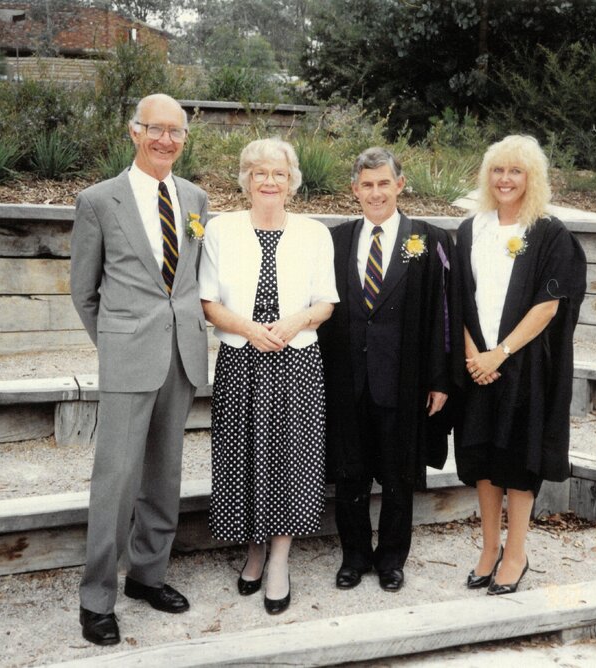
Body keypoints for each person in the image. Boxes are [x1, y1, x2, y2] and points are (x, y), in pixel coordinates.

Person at [69, 94, 209, 645]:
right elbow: (84, 292)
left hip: (182, 354)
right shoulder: (99, 201)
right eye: (156, 129)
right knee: (116, 480)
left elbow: (192, 279)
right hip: (129, 355)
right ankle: (96, 597)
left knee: (164, 474)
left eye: (176, 132)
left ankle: (148, 576)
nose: (166, 141)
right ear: (134, 132)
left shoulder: (196, 199)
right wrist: (117, 343)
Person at [199, 138, 338, 615]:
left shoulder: (314, 233)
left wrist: (294, 322)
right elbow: (208, 301)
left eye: (278, 173)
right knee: (243, 454)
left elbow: (326, 302)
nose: (269, 182)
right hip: (241, 357)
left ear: (292, 180)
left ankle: (278, 557)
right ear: (246, 179)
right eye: (260, 173)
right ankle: (252, 549)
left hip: (295, 358)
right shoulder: (222, 230)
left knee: (290, 459)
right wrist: (248, 329)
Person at [453, 134, 586, 595]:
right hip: (477, 365)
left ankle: (516, 553)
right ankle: (489, 549)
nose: (505, 179)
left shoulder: (549, 232)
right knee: (483, 458)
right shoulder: (472, 229)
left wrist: (499, 353)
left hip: (524, 365)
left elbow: (548, 306)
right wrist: (474, 354)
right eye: (497, 170)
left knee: (517, 461)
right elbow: (460, 299)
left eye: (516, 171)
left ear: (533, 179)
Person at [318, 147, 455, 593]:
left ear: (400, 184)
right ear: (354, 189)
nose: (375, 192)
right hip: (349, 378)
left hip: (403, 379)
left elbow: (443, 314)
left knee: (399, 473)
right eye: (366, 184)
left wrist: (438, 379)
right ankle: (354, 555)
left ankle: (392, 558)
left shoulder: (428, 239)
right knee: (350, 471)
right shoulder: (336, 241)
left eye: (384, 183)